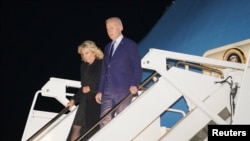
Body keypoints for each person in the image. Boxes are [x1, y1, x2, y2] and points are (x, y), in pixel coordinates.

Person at [95, 17, 142, 128]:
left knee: (122, 120)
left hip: (124, 89)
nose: (109, 31)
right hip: (107, 90)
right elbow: (104, 71)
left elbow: (137, 66)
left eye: (112, 28)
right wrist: (100, 90)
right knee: (104, 120)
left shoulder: (130, 44)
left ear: (120, 27)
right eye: (107, 29)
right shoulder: (107, 47)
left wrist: (134, 83)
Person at [66, 40, 104, 141]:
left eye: (87, 53)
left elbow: (105, 81)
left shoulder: (101, 64)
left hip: (95, 102)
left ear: (94, 51)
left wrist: (91, 89)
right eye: (83, 54)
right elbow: (83, 87)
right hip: (83, 103)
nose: (85, 56)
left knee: (89, 132)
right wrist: (74, 99)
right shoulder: (83, 66)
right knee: (76, 127)